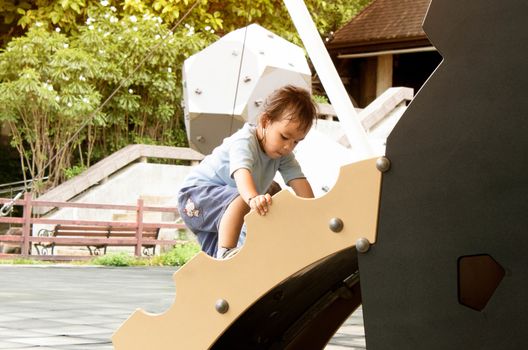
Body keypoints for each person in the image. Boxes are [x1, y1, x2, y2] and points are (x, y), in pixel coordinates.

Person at [177, 85, 317, 259]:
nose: (289, 146)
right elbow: (241, 172)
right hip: (196, 197)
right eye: (284, 136)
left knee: (274, 193)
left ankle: (223, 263)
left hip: (223, 211)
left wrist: (315, 212)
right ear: (265, 122)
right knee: (246, 199)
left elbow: (299, 182)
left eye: (296, 142)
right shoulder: (244, 141)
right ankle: (227, 254)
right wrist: (252, 198)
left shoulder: (282, 153)